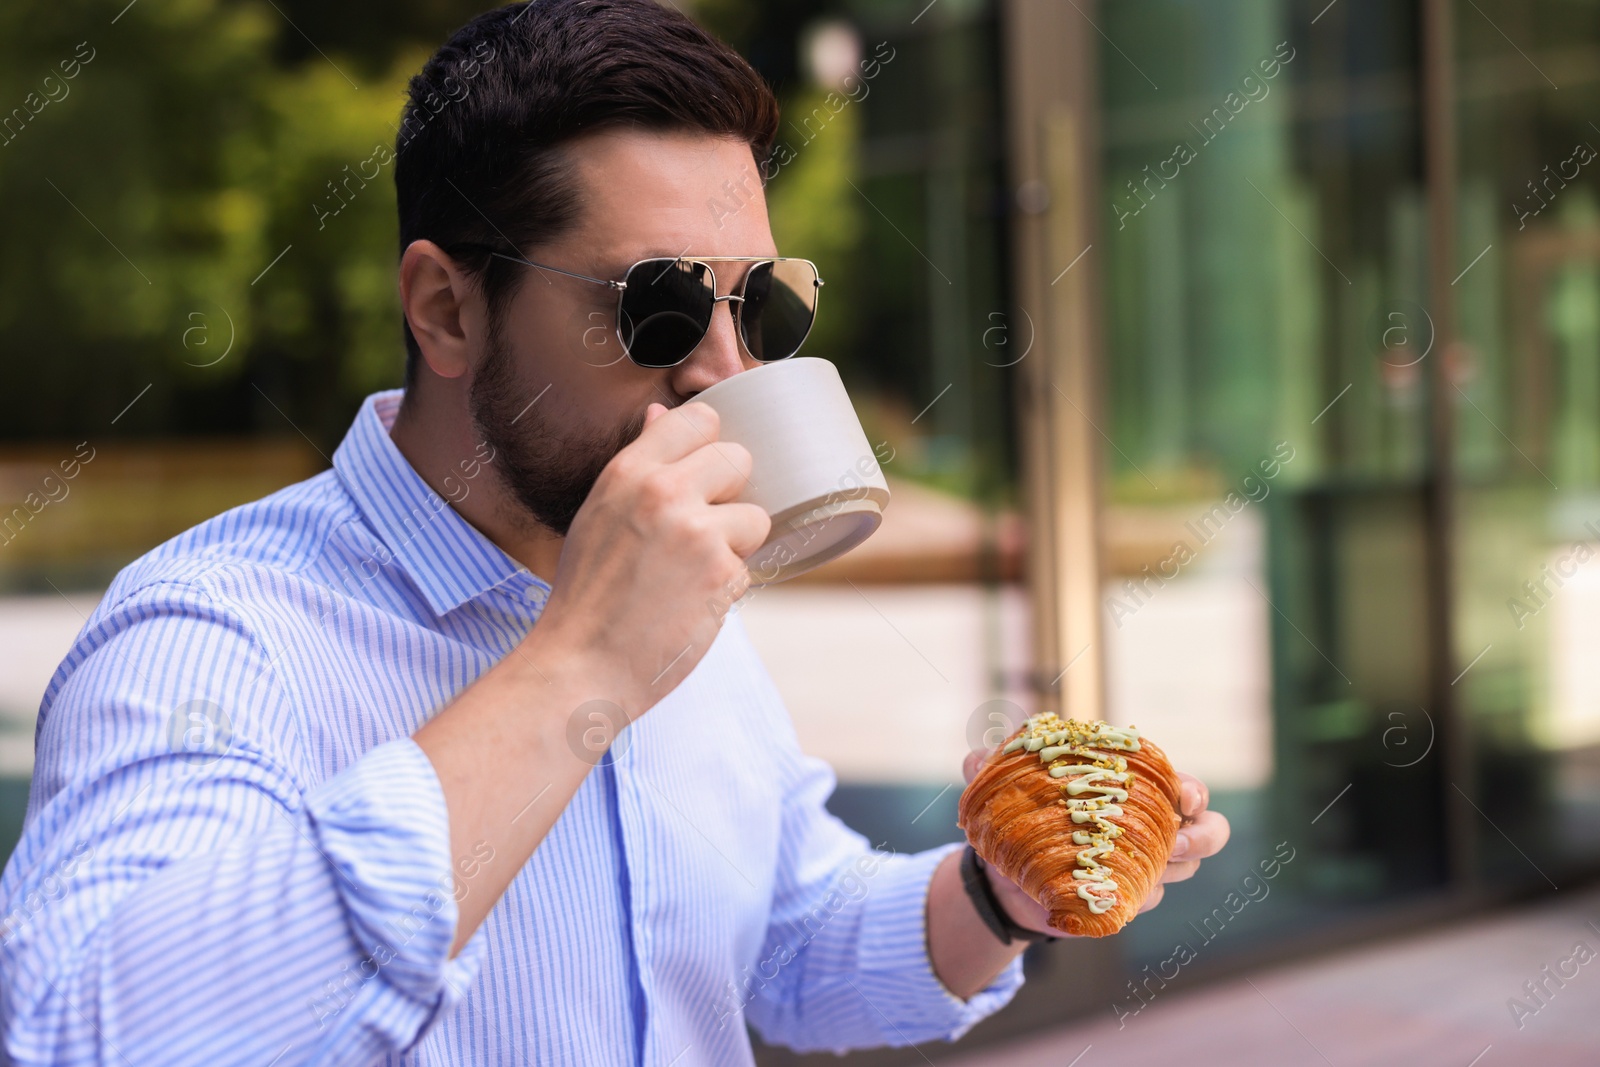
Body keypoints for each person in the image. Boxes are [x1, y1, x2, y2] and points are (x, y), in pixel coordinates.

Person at [0, 1, 1229, 1064]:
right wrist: (579, 666)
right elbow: (85, 1033)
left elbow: (785, 937)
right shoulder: (211, 637)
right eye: (658, 304)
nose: (725, 369)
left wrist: (996, 895)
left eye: (760, 302)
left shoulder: (666, 597)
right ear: (444, 309)